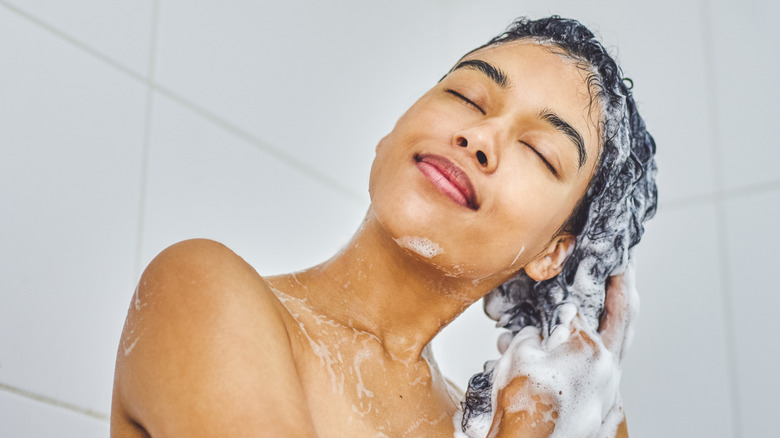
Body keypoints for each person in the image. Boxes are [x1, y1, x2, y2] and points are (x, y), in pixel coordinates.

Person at [110, 16, 656, 437]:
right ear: (393, 134)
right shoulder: (202, 292)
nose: (480, 137)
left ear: (552, 253)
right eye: (466, 97)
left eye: (539, 150)